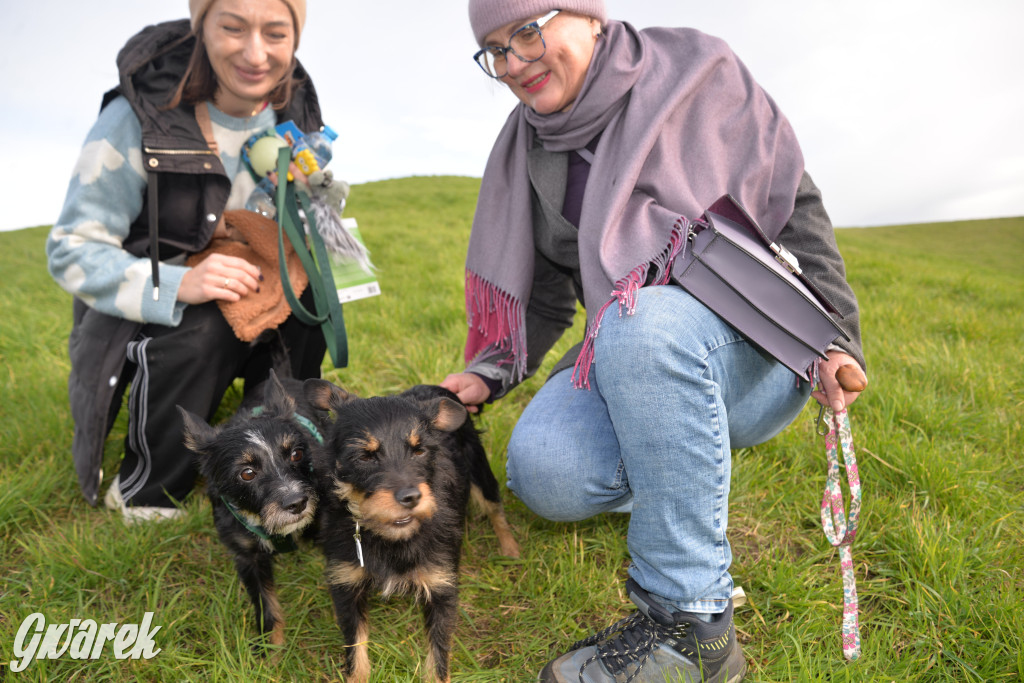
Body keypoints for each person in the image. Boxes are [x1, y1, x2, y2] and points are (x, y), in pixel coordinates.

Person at [441, 2, 866, 681]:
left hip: (748, 350)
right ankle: (677, 466)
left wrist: (839, 339)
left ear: (587, 17)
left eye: (528, 31)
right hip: (635, 353)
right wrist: (490, 373)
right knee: (543, 469)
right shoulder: (530, 146)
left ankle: (693, 624)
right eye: (495, 50)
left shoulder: (699, 70)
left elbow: (793, 204)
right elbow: (550, 290)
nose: (516, 63)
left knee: (642, 321)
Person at [47, 0, 330, 522]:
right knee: (206, 322)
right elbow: (70, 248)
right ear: (202, 28)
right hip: (140, 314)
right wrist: (181, 283)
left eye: (275, 32)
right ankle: (149, 491)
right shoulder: (134, 119)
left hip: (254, 286)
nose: (255, 52)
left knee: (307, 298)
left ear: (295, 38)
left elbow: (308, 199)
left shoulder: (294, 112)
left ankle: (269, 455)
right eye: (232, 27)